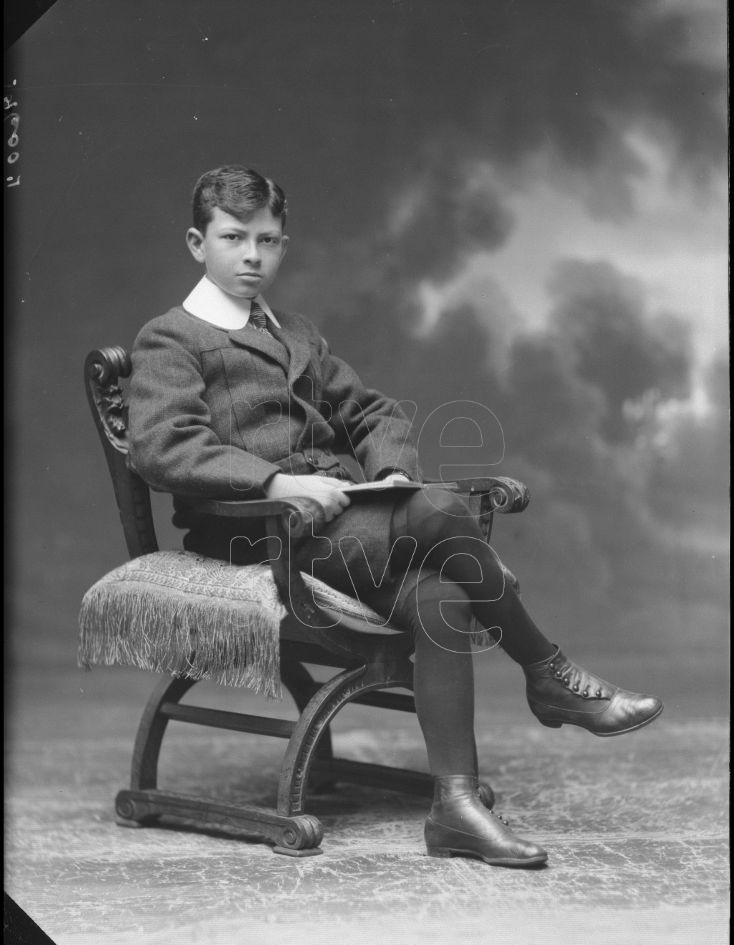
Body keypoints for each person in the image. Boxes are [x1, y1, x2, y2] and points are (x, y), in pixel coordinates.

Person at [128, 164, 663, 869]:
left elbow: (372, 410)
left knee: (443, 595)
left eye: (269, 240)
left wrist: (387, 471)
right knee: (442, 511)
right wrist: (276, 479)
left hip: (340, 530)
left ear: (284, 245)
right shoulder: (171, 338)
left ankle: (457, 809)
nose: (252, 256)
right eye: (234, 238)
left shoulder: (296, 333)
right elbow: (162, 446)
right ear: (198, 243)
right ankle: (549, 675)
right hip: (255, 537)